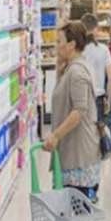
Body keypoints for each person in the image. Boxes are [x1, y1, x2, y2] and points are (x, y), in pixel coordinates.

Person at [43, 21, 103, 201]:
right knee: (71, 214)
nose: (56, 46)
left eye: (59, 41)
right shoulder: (72, 67)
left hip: (78, 157)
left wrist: (55, 136)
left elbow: (79, 110)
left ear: (71, 45)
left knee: (76, 214)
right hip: (72, 152)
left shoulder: (77, 72)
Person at [79, 14, 111, 130]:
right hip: (98, 97)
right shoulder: (103, 49)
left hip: (80, 97)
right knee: (98, 133)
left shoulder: (78, 50)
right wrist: (108, 99)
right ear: (96, 29)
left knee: (83, 134)